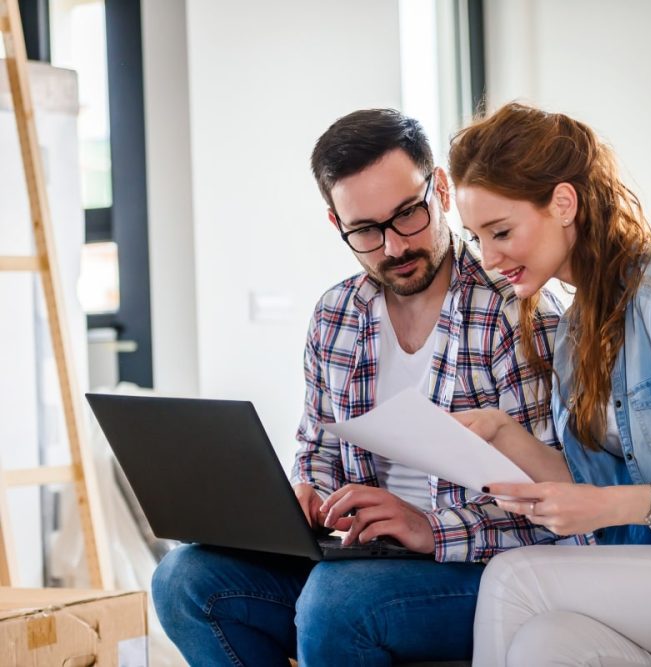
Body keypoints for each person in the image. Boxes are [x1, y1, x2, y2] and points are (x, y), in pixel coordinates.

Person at [151, 109, 585, 666]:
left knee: (338, 605)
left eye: (408, 215)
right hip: (360, 560)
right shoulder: (336, 314)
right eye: (365, 231)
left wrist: (427, 527)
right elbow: (317, 449)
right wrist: (306, 493)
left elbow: (552, 505)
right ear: (337, 224)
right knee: (184, 578)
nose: (394, 247)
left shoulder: (516, 313)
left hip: (481, 563)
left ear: (442, 191)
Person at [449, 102, 651, 666]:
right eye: (476, 238)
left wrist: (608, 506)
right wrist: (502, 433)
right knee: (544, 647)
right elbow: (590, 490)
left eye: (501, 232)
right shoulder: (577, 328)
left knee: (515, 580)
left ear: (563, 203)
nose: (490, 258)